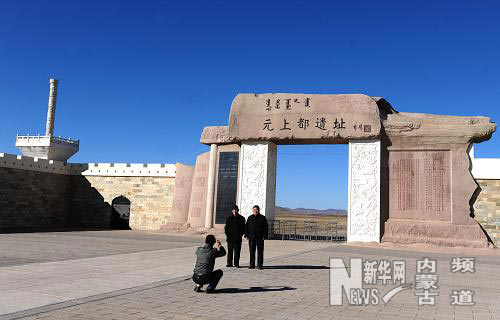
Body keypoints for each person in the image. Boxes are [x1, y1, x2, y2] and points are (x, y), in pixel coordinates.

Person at [245, 205, 269, 270]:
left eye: (256, 210)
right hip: (251, 238)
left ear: (259, 210)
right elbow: (247, 227)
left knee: (260, 252)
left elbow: (266, 228)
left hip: (260, 238)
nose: (255, 211)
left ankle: (260, 265)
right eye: (254, 210)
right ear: (252, 210)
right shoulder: (250, 217)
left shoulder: (263, 218)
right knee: (252, 251)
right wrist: (246, 235)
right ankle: (251, 265)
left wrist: (265, 236)